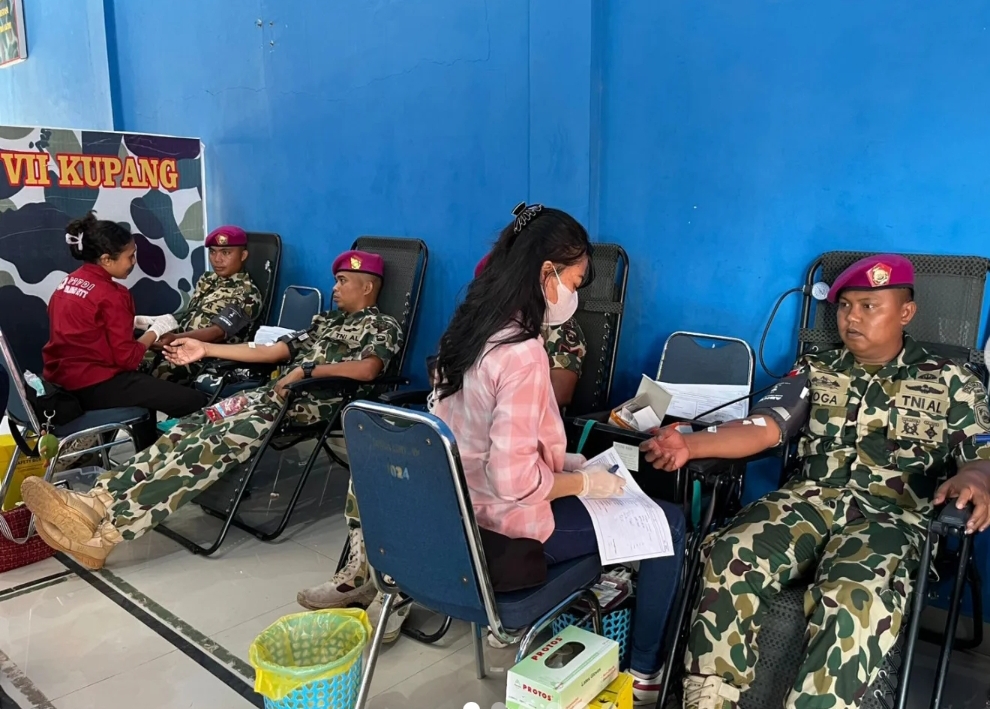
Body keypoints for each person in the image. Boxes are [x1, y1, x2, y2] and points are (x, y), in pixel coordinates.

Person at [641, 254, 990, 709]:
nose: (852, 318)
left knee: (853, 596)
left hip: (894, 518)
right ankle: (709, 698)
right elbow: (766, 426)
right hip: (807, 501)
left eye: (869, 306)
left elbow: (981, 455)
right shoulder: (816, 368)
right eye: (845, 306)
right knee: (728, 552)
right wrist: (692, 445)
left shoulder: (952, 380)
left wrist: (976, 479)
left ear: (906, 313)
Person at [430, 202, 685, 705]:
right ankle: (645, 673)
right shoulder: (523, 353)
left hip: (457, 521)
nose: (575, 294)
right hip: (510, 531)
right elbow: (514, 482)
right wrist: (587, 483)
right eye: (575, 280)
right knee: (670, 523)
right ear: (547, 273)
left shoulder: (467, 333)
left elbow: (473, 440)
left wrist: (567, 464)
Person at [21, 250, 402, 571]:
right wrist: (205, 348)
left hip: (306, 407)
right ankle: (98, 500)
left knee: (205, 449)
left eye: (342, 281)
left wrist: (308, 371)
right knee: (188, 429)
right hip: (267, 398)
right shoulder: (325, 322)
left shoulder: (382, 325)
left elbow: (368, 370)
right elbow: (271, 351)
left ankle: (108, 535)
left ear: (367, 287)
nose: (334, 288)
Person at [295, 249, 590, 617]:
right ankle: (369, 572)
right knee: (383, 465)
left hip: (512, 451)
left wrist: (489, 394)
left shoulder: (551, 330)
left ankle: (402, 587)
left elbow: (556, 394)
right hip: (466, 446)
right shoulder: (470, 329)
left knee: (441, 490)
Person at [42, 212, 207, 425]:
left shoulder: (67, 283)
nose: (134, 262)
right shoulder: (113, 294)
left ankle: (145, 440)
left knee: (147, 391)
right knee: (194, 401)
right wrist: (156, 330)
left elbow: (79, 324)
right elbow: (128, 360)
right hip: (95, 384)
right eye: (130, 256)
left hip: (62, 381)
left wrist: (130, 321)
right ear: (106, 259)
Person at [141, 225, 263, 383]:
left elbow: (217, 332)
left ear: (243, 255)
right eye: (213, 252)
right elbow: (190, 314)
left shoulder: (247, 294)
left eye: (226, 253)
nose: (217, 259)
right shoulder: (208, 279)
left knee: (155, 375)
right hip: (179, 342)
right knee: (135, 360)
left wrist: (175, 339)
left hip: (207, 358)